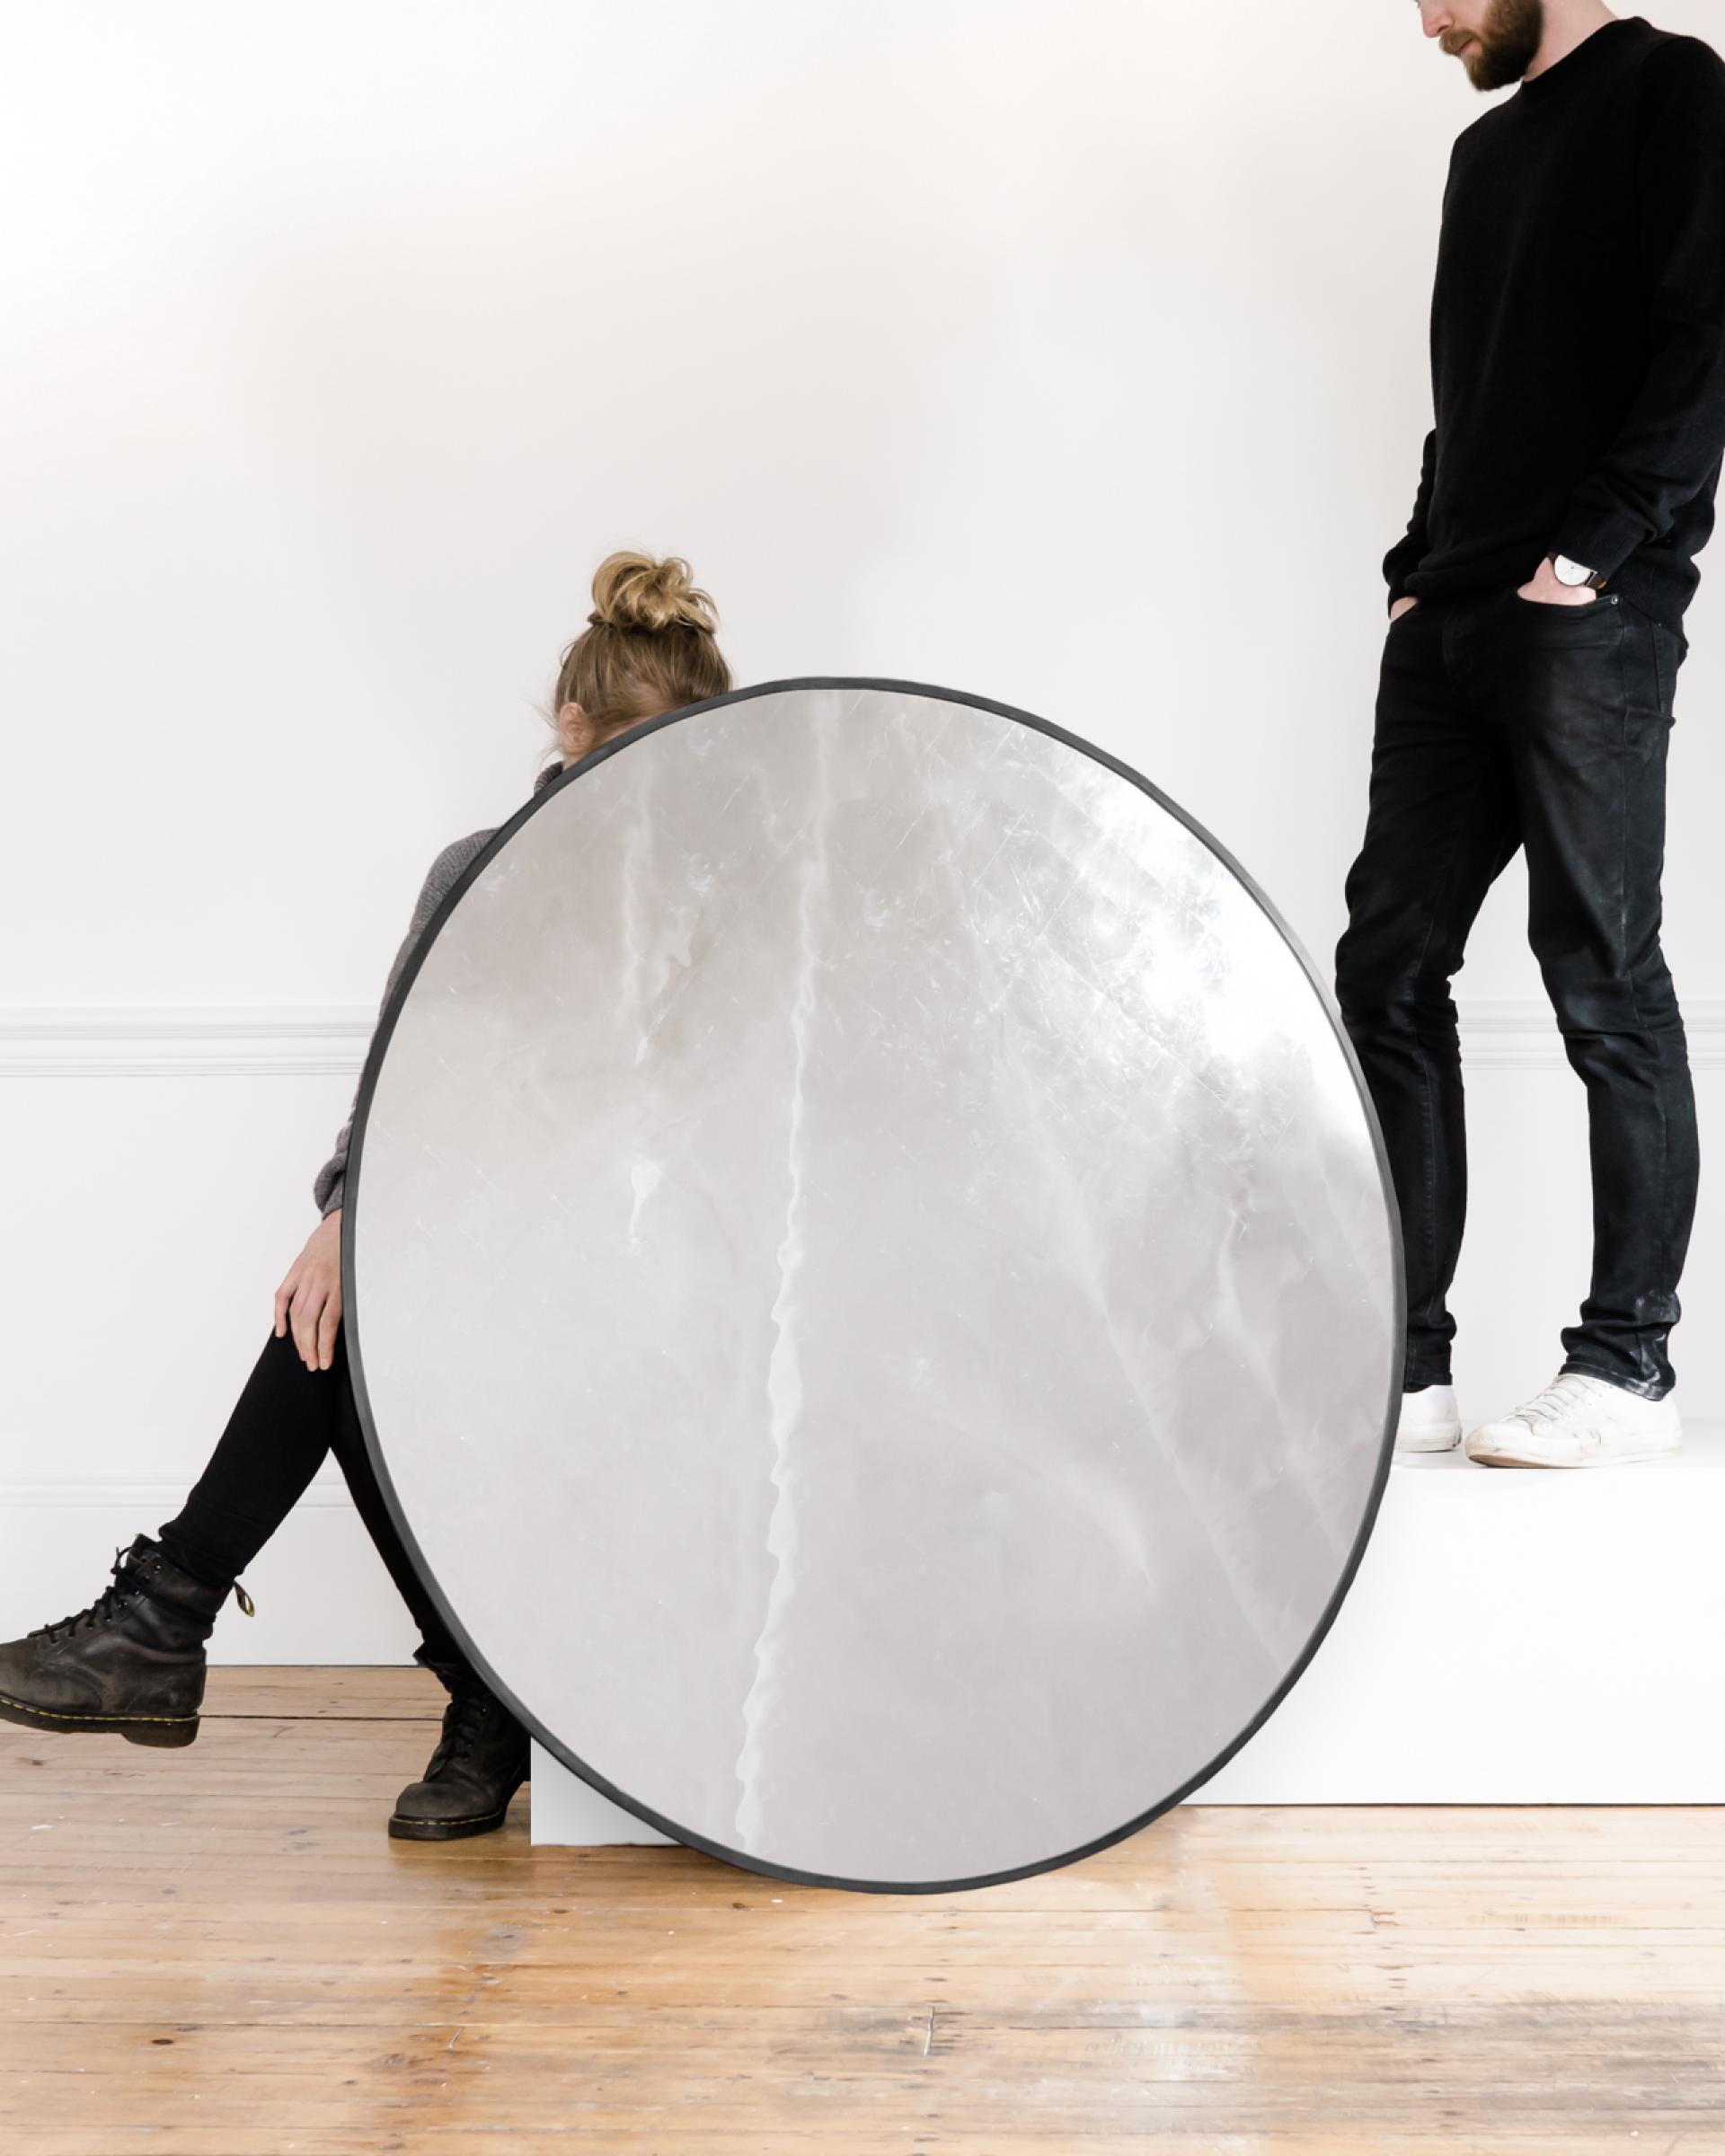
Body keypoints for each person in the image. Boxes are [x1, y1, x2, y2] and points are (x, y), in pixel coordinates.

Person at [0, 551, 732, 1835]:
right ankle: (411, 1685)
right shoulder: (474, 873)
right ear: (574, 733)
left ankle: (181, 1620)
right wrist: (344, 1215)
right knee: (335, 1313)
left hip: (656, 1262)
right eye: (637, 758)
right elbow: (401, 1087)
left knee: (363, 1318)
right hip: (493, 1241)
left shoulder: (715, 894)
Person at [1336, 3, 1725, 1468]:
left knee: (1600, 971)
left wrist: (1599, 549)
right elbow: (1470, 392)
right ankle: (1410, 1365)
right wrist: (1420, 560)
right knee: (1386, 963)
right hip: (1451, 616)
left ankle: (1626, 1365)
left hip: (1584, 618)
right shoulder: (1483, 153)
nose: (1427, 17)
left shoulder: (1675, 90)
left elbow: (1709, 336)